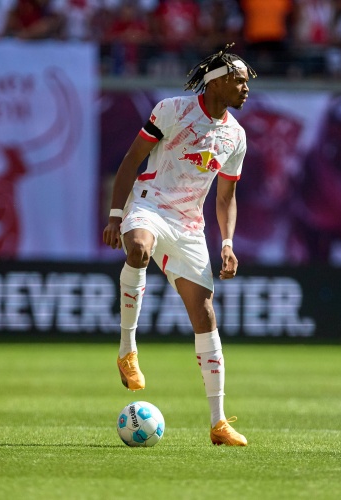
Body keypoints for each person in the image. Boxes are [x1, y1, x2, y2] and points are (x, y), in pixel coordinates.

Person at [102, 44, 256, 446]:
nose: (246, 88)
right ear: (216, 82)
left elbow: (226, 198)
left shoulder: (236, 136)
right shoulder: (172, 110)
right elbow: (131, 161)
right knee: (138, 249)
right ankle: (127, 351)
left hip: (189, 225)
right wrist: (116, 216)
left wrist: (227, 242)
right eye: (239, 80)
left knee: (205, 315)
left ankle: (218, 423)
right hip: (149, 204)